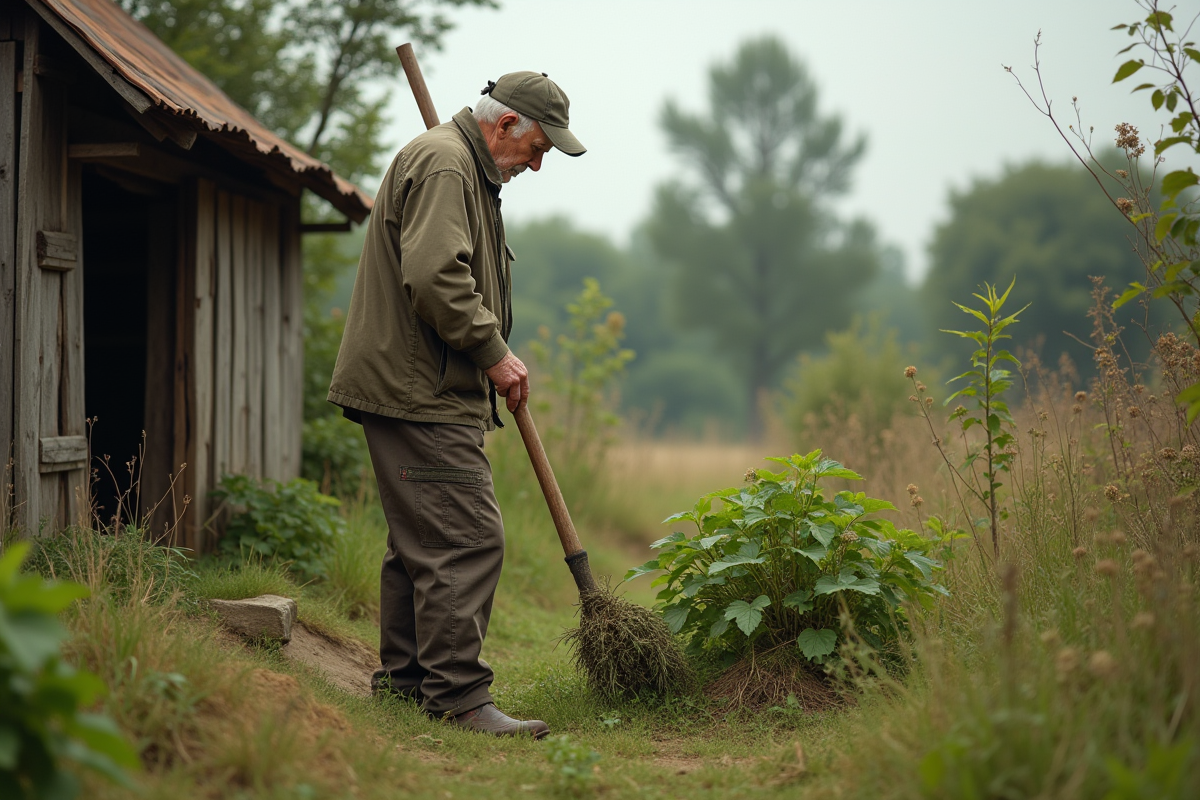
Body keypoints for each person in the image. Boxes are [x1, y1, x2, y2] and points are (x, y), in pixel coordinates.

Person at [327, 71, 585, 738]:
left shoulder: (464, 168)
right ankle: (459, 697)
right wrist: (493, 351)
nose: (536, 165)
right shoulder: (447, 164)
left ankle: (407, 686)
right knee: (466, 538)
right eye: (537, 149)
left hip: (419, 384)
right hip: (421, 390)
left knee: (420, 544)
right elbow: (436, 276)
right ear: (506, 124)